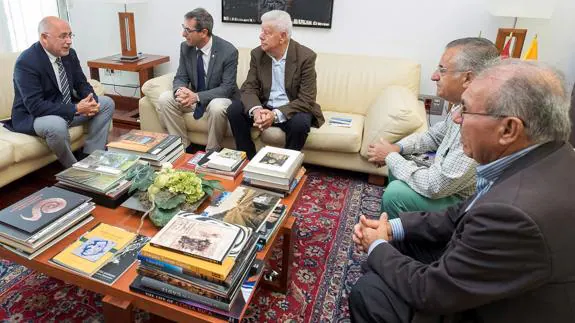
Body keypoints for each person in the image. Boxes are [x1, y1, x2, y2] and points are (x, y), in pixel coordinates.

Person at [350, 59, 575, 323]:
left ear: (509, 129)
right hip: (492, 277)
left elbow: (431, 292)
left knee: (369, 292)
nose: (456, 119)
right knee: (396, 246)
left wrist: (375, 245)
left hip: (487, 309)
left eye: (465, 111)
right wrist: (391, 229)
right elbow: (459, 212)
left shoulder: (513, 214)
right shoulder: (550, 157)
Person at [367, 38, 499, 219]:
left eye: (442, 70)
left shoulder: (481, 123)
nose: (434, 76)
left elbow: (435, 185)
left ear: (468, 77)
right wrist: (397, 148)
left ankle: (397, 237)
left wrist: (389, 156)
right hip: (447, 187)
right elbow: (433, 136)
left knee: (395, 193)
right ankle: (400, 225)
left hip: (462, 205)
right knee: (399, 156)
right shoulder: (461, 106)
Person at [6, 16, 114, 168]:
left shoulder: (70, 54)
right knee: (56, 125)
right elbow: (35, 106)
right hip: (35, 116)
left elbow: (81, 83)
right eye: (63, 36)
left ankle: (91, 157)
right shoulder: (26, 62)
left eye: (70, 35)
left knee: (106, 103)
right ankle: (74, 169)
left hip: (65, 108)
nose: (69, 41)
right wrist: (76, 108)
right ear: (44, 38)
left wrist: (91, 101)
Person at [227, 10, 324, 159]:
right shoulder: (257, 54)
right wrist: (257, 110)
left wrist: (275, 115)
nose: (261, 36)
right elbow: (249, 88)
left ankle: (285, 164)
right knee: (234, 109)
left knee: (300, 123)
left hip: (291, 109)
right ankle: (248, 159)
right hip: (265, 105)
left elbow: (307, 99)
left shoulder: (306, 57)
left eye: (267, 33)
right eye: (261, 31)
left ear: (283, 36)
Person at [157, 8, 239, 153]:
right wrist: (180, 91)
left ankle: (212, 151)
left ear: (203, 32)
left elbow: (227, 88)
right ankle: (183, 147)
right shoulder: (186, 48)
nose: (183, 34)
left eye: (188, 30)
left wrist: (196, 96)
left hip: (219, 98)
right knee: (165, 99)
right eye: (184, 28)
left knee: (217, 106)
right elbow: (181, 76)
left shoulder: (228, 51)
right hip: (194, 98)